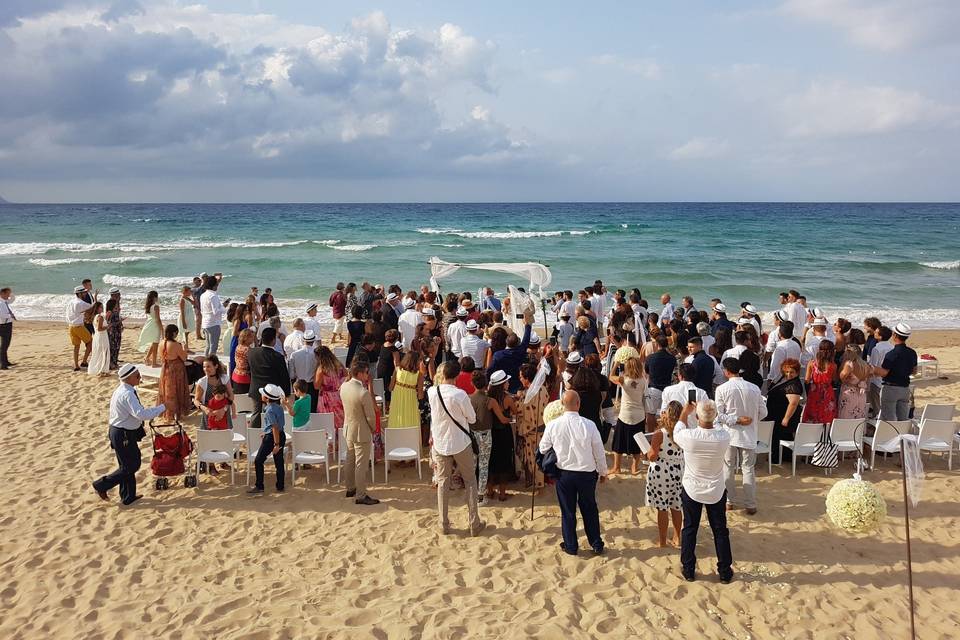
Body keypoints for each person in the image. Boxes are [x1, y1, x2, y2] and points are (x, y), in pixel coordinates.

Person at [540, 390, 608, 556]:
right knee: (590, 508)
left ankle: (571, 545)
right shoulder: (589, 425)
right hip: (586, 473)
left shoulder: (553, 425)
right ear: (578, 404)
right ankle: (596, 543)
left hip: (564, 474)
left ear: (562, 405)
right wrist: (603, 471)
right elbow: (599, 451)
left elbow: (543, 447)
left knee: (568, 511)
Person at [673, 399, 733, 583]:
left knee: (690, 528)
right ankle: (724, 570)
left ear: (697, 416)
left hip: (693, 488)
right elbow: (720, 426)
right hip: (715, 488)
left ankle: (689, 568)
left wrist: (686, 411)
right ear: (714, 417)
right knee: (720, 530)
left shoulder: (690, 436)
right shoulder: (723, 437)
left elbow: (677, 430)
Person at [91, 364, 168, 506]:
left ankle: (128, 496)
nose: (140, 377)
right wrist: (162, 407)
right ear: (129, 378)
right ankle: (101, 485)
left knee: (126, 465)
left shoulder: (124, 390)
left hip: (121, 431)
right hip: (123, 433)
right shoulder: (127, 394)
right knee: (132, 465)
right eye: (137, 375)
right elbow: (141, 414)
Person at [429, 360, 484, 536]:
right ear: (457, 376)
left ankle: (443, 523)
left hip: (441, 442)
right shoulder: (460, 395)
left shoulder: (432, 392)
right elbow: (472, 418)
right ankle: (474, 523)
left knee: (443, 482)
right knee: (470, 481)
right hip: (460, 442)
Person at [715, 358, 766, 515]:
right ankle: (750, 504)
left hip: (730, 434)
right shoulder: (754, 388)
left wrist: (736, 419)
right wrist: (749, 419)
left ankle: (730, 501)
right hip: (748, 434)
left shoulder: (722, 389)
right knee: (748, 469)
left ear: (726, 371)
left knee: (728, 468)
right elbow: (764, 412)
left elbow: (719, 415)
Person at [341, 361, 380, 505]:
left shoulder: (344, 387)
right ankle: (361, 495)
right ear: (359, 373)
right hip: (361, 431)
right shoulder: (363, 393)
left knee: (350, 460)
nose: (367, 375)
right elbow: (370, 417)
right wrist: (372, 428)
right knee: (360, 464)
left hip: (348, 428)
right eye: (365, 372)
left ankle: (350, 488)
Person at [646, 401, 684, 548]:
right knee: (676, 506)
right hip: (678, 470)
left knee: (662, 507)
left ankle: (662, 541)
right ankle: (677, 537)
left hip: (662, 471)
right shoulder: (683, 431)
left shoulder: (660, 434)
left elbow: (653, 456)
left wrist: (647, 453)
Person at [608, 356, 647, 475]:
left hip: (625, 414)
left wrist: (615, 364)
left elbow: (610, 377)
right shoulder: (643, 380)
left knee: (618, 443)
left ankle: (617, 467)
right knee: (638, 442)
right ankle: (634, 467)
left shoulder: (623, 379)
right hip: (639, 414)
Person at [246, 328, 290, 431]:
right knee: (273, 416)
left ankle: (254, 437)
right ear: (273, 340)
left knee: (256, 414)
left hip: (256, 388)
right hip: (273, 392)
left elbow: (249, 369)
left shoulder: (251, 353)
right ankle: (273, 437)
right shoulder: (278, 357)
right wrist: (286, 393)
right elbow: (284, 376)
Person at [874, 323, 918, 421]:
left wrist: (873, 368)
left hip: (891, 388)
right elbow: (914, 371)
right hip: (905, 388)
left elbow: (884, 372)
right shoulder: (912, 352)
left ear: (894, 335)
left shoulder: (892, 354)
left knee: (888, 418)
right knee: (902, 418)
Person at [516, 363, 549, 491]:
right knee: (538, 456)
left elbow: (520, 410)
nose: (520, 379)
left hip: (530, 431)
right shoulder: (543, 389)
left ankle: (538, 484)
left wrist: (516, 400)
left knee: (532, 458)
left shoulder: (527, 395)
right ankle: (536, 482)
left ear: (527, 378)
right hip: (541, 427)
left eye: (521, 377)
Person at [248, 383, 287, 494]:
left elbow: (274, 427)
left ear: (266, 398)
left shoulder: (269, 410)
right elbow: (276, 426)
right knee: (279, 462)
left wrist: (276, 444)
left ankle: (259, 486)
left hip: (272, 438)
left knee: (258, 461)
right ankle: (280, 486)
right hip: (280, 434)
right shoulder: (279, 407)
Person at [486, 370, 518, 500]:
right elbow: (515, 411)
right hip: (503, 432)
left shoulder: (488, 397)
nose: (508, 383)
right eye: (506, 382)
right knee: (504, 461)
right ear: (502, 384)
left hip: (491, 432)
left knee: (491, 461)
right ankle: (503, 494)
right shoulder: (507, 399)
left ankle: (490, 490)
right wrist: (511, 419)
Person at [766, 358, 803, 464]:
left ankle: (778, 459)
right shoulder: (785, 379)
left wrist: (786, 418)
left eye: (792, 372)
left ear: (797, 372)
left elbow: (793, 403)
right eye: (786, 371)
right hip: (777, 413)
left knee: (780, 437)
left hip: (783, 415)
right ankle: (782, 457)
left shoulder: (794, 385)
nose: (788, 374)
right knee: (779, 437)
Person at [468, 370, 495, 506]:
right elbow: (501, 417)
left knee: (472, 465)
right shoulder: (489, 400)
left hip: (472, 435)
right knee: (484, 466)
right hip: (485, 435)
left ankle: (471, 494)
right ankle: (480, 495)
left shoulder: (468, 399)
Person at [489, 312, 534, 393]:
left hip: (504, 384)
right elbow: (526, 339)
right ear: (518, 343)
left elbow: (490, 370)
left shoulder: (498, 355)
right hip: (518, 384)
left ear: (506, 342)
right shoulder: (521, 351)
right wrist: (527, 324)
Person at [157, 324, 193, 421]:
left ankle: (167, 412)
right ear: (174, 333)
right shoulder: (175, 345)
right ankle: (177, 413)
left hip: (165, 368)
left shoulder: (161, 343)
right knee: (177, 391)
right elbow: (184, 358)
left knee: (167, 391)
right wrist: (185, 349)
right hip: (176, 369)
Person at [661, 363, 709, 428]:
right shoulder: (701, 393)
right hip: (694, 431)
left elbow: (663, 412)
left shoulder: (668, 390)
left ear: (680, 376)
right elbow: (707, 414)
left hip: (674, 430)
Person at [314, 345, 347, 433]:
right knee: (340, 419)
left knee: (327, 421)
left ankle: (331, 443)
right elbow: (347, 375)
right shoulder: (338, 364)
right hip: (338, 395)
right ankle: (341, 440)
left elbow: (316, 386)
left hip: (326, 397)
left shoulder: (321, 369)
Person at [195, 355, 234, 431]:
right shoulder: (202, 382)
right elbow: (196, 400)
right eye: (204, 367)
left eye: (208, 366)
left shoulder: (224, 378)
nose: (205, 369)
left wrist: (224, 409)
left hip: (224, 414)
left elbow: (231, 396)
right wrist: (204, 408)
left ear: (216, 366)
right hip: (209, 415)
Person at [802, 340, 837, 424]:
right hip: (827, 391)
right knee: (827, 414)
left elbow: (807, 380)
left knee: (813, 412)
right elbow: (834, 379)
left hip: (815, 390)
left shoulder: (812, 363)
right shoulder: (833, 365)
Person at [287, 330, 319, 411]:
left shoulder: (294, 354)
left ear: (303, 340)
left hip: (299, 385)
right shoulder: (317, 355)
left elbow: (292, 374)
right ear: (313, 341)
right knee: (312, 409)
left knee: (299, 410)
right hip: (312, 385)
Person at [866, 326, 894, 418]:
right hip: (888, 378)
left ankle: (876, 423)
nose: (874, 333)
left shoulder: (876, 349)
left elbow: (873, 366)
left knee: (876, 405)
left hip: (876, 380)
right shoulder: (892, 347)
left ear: (880, 337)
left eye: (876, 332)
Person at [838, 345, 870, 420]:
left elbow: (841, 377)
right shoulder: (865, 365)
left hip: (849, 393)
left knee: (846, 416)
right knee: (858, 417)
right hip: (861, 394)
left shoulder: (849, 364)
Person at [66, 285, 94, 371]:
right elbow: (91, 306)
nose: (85, 294)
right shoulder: (80, 303)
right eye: (84, 292)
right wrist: (95, 298)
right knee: (90, 343)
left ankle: (76, 365)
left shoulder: (71, 302)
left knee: (76, 346)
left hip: (71, 326)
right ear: (80, 293)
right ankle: (84, 361)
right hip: (79, 326)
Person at [199, 276, 225, 357]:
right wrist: (226, 309)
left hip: (205, 322)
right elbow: (216, 311)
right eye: (217, 284)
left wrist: (221, 306)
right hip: (213, 323)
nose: (217, 285)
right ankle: (210, 364)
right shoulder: (213, 296)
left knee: (208, 345)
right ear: (214, 285)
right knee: (214, 346)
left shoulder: (203, 295)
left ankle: (205, 362)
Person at [137, 290, 162, 368]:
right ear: (155, 297)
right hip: (154, 325)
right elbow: (158, 319)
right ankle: (154, 363)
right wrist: (162, 328)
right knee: (156, 344)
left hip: (149, 324)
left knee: (154, 343)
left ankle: (147, 358)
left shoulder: (149, 306)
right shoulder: (156, 306)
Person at [0, 287, 16, 370]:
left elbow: (13, 299)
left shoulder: (5, 301)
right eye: (7, 294)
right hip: (3, 326)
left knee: (6, 345)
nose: (9, 296)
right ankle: (3, 365)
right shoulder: (1, 303)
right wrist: (11, 315)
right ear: (2, 294)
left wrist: (11, 292)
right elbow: (2, 315)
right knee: (4, 345)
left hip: (7, 324)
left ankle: (5, 361)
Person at [105, 297, 123, 370]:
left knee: (117, 347)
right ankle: (111, 363)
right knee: (113, 348)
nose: (117, 305)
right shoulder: (110, 313)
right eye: (115, 304)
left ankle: (114, 362)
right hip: (113, 332)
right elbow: (110, 323)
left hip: (116, 331)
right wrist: (120, 321)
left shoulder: (114, 312)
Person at [177, 285, 196, 352]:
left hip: (188, 317)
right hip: (184, 318)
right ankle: (186, 348)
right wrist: (183, 322)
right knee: (185, 333)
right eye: (189, 291)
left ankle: (185, 347)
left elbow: (194, 303)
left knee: (186, 333)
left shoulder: (187, 298)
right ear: (185, 292)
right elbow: (182, 312)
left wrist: (193, 296)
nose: (190, 292)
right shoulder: (182, 300)